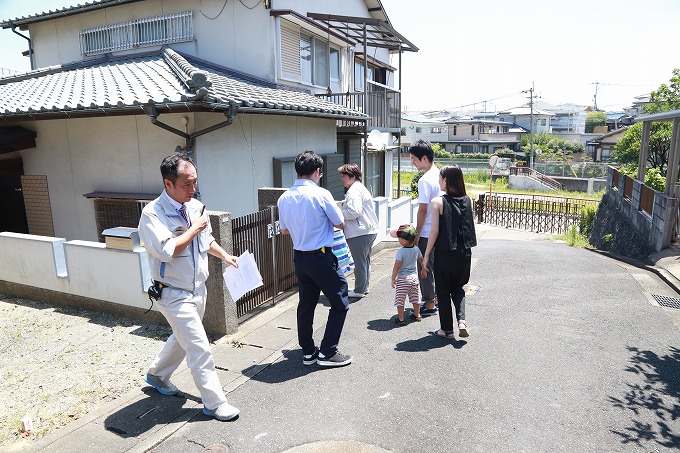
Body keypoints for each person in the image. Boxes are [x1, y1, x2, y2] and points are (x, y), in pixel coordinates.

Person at [137, 155, 240, 421]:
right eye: (186, 184)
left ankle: (157, 374)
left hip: (197, 288)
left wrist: (226, 256)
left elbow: (207, 241)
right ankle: (215, 403)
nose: (193, 189)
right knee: (198, 345)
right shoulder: (152, 214)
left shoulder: (195, 206)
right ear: (168, 183)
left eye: (195, 182)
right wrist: (193, 229)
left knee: (182, 338)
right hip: (171, 292)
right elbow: (167, 250)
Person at [277, 151, 353, 367]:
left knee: (306, 304)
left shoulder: (284, 197)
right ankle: (328, 352)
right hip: (320, 256)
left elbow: (283, 231)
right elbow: (340, 223)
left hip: (300, 257)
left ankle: (308, 352)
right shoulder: (321, 194)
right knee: (340, 302)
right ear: (317, 171)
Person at [422, 165, 477, 340]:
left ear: (446, 180)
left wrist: (426, 255)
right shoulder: (467, 200)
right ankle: (461, 321)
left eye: (440, 178)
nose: (439, 181)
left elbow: (434, 232)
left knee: (443, 292)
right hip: (464, 254)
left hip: (445, 254)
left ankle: (447, 330)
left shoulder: (437, 202)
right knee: (458, 289)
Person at [409, 139, 442, 315]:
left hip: (427, 232)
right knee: (436, 268)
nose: (412, 163)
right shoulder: (440, 175)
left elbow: (423, 209)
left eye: (414, 159)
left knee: (425, 268)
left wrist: (417, 234)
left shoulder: (424, 180)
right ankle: (435, 299)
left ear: (424, 158)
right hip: (440, 231)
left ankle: (429, 305)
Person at [338, 163, 379, 298]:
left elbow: (354, 212)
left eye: (344, 176)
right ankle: (363, 287)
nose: (342, 179)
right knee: (365, 261)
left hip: (360, 232)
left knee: (359, 262)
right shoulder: (359, 188)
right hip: (368, 230)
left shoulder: (354, 191)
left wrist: (339, 212)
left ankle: (359, 290)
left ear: (353, 176)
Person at [390, 224, 423, 326]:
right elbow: (421, 260)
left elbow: (397, 266)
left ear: (404, 241)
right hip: (414, 278)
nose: (398, 240)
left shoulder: (401, 251)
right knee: (415, 298)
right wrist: (424, 269)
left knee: (400, 299)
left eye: (399, 238)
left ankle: (401, 319)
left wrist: (393, 278)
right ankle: (417, 315)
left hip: (403, 279)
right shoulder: (416, 249)